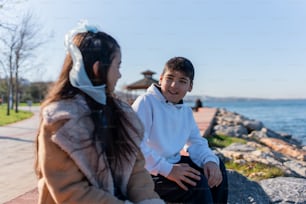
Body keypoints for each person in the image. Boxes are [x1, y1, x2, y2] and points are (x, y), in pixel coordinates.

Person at [34, 21, 165, 204]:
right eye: (117, 66)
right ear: (97, 69)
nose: (119, 75)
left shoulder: (122, 114)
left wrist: (149, 201)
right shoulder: (60, 120)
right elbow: (70, 192)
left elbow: (137, 171)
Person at [132, 57, 228, 204]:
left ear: (190, 86)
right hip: (145, 172)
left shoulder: (185, 112)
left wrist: (210, 161)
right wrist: (169, 170)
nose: (174, 85)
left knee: (216, 166)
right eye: (169, 78)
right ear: (161, 79)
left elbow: (196, 143)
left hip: (170, 164)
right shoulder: (146, 102)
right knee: (197, 185)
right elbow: (135, 146)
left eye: (182, 81)